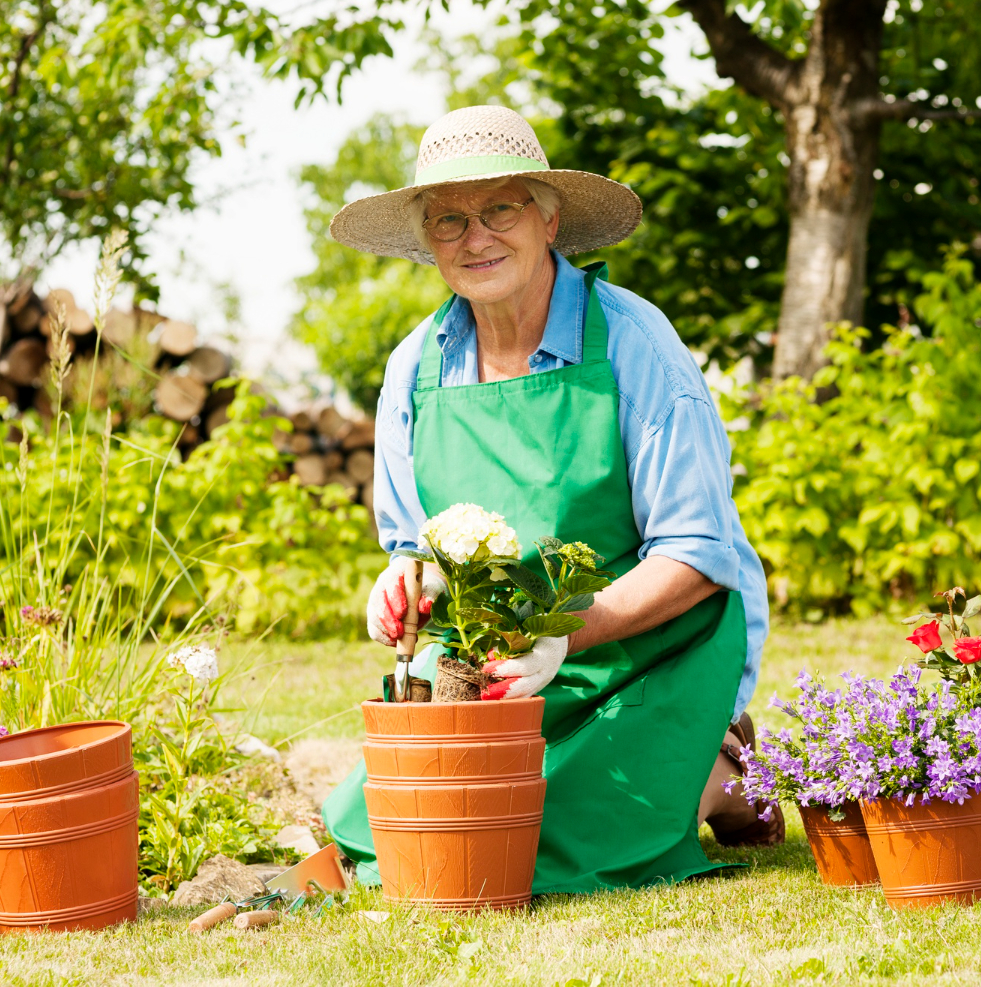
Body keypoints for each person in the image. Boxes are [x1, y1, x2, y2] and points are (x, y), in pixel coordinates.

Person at [319, 105, 782, 894]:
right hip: (494, 661)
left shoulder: (636, 345)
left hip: (647, 643)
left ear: (548, 217)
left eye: (499, 208)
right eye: (449, 220)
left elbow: (699, 554)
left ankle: (730, 770)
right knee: (394, 831)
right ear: (428, 240)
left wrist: (568, 633)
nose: (476, 238)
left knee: (558, 838)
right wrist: (403, 579)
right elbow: (413, 543)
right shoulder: (415, 368)